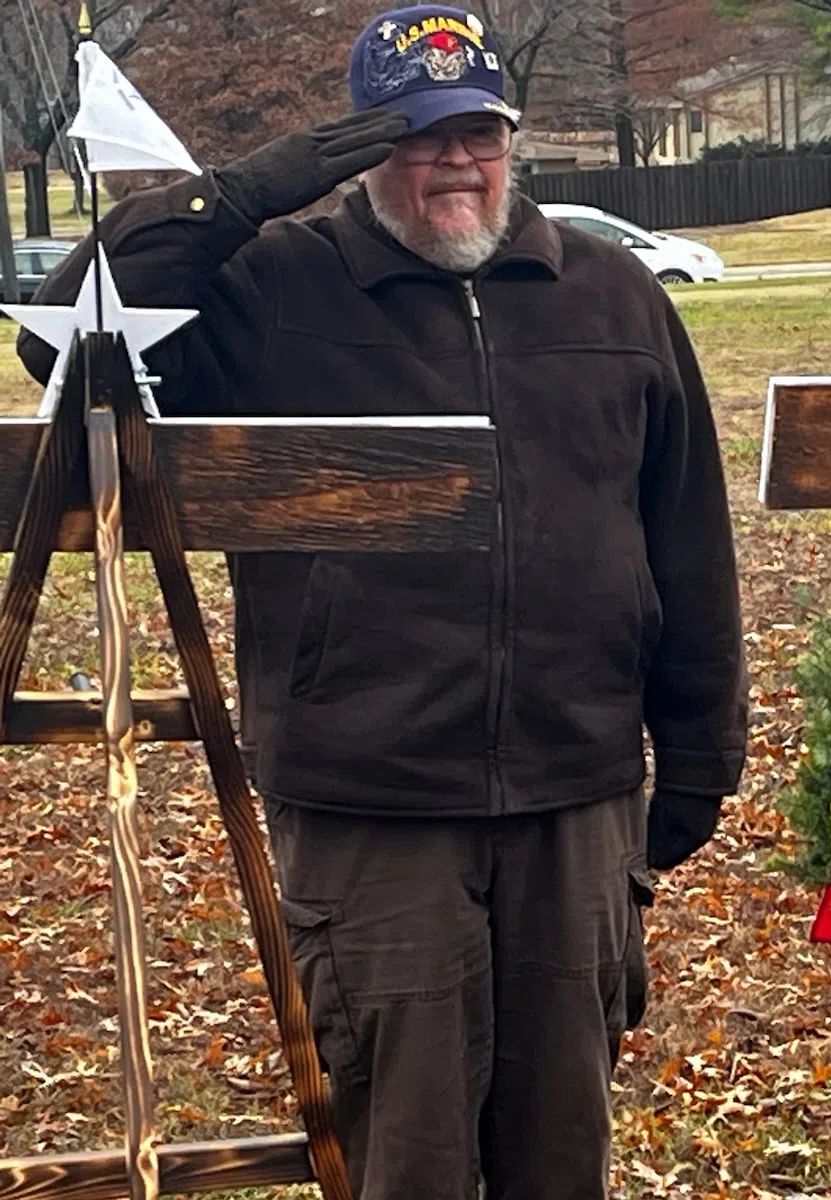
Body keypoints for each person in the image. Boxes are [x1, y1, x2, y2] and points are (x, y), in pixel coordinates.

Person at [18, 6, 749, 1197]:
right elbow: (65, 339)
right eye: (419, 137)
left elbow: (685, 538)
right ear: (363, 151)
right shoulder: (273, 290)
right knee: (401, 1150)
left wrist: (704, 752)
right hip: (371, 798)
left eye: (480, 133)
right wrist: (241, 195)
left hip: (577, 789)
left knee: (562, 1146)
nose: (456, 161)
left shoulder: (615, 298)